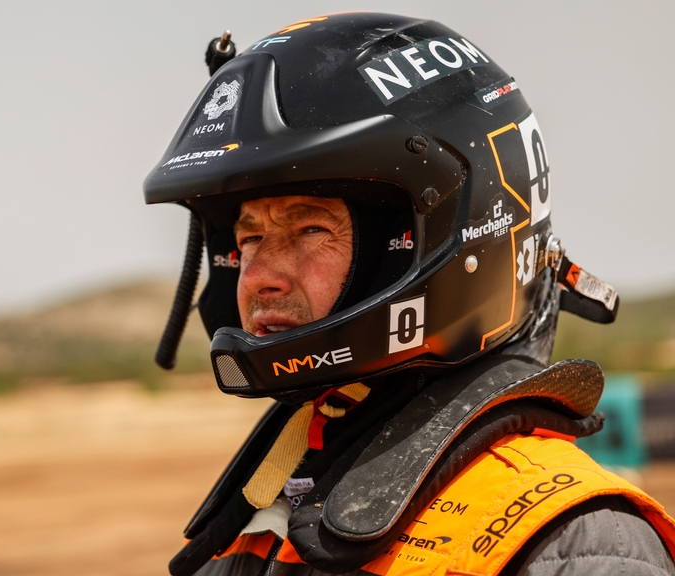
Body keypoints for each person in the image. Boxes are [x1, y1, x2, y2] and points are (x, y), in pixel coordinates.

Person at [143, 13, 675, 576]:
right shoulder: (278, 496)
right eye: (250, 237)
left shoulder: (576, 541)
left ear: (428, 238)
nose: (257, 279)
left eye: (309, 231)